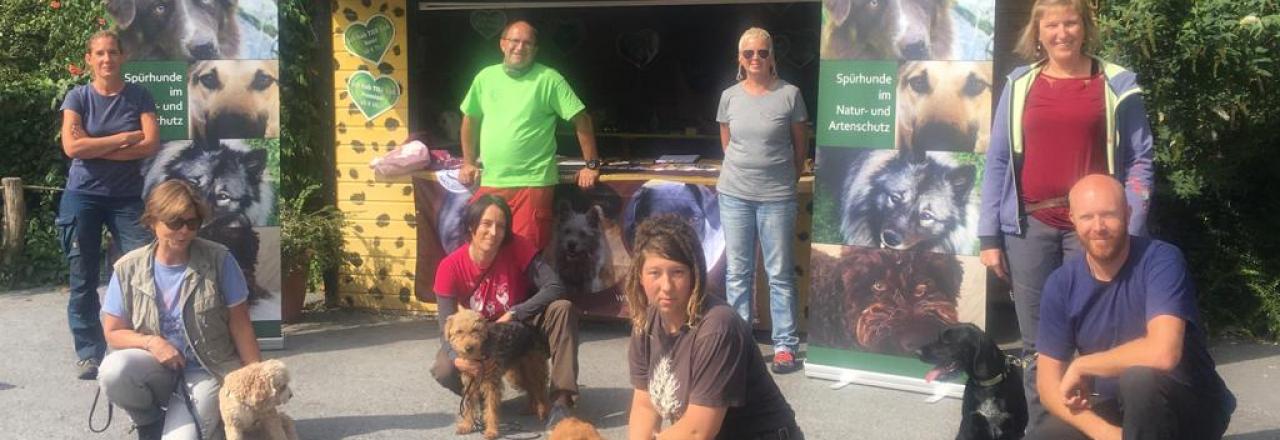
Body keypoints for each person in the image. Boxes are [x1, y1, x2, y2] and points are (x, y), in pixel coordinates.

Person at [976, 0, 1155, 427]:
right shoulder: (1020, 85)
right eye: (1051, 24)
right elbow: (998, 160)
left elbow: (1141, 159)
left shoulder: (1115, 83)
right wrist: (989, 237)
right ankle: (1045, 431)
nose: (1061, 32)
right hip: (1029, 230)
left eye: (1070, 22)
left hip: (1094, 231)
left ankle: (1103, 429)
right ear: (1038, 32)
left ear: (1085, 27)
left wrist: (1129, 223)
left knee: (1099, 338)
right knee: (1039, 346)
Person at [1030, 175, 1234, 440]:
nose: (1098, 226)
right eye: (1087, 217)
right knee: (1046, 436)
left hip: (1188, 403)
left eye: (1109, 215)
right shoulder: (1061, 284)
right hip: (1119, 407)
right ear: (1072, 219)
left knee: (1140, 379)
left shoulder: (1161, 259)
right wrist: (1102, 431)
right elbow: (1047, 384)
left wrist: (1082, 365)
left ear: (1127, 213)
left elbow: (1163, 353)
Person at [97, 179, 262, 440]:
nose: (184, 231)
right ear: (152, 221)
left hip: (207, 369)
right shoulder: (128, 268)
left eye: (192, 223)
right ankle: (148, 421)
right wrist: (152, 343)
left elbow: (240, 325)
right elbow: (113, 332)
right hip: (157, 367)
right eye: (174, 223)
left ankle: (198, 421)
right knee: (113, 370)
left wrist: (256, 380)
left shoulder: (220, 260)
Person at [625, 215, 802, 440]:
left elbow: (698, 431)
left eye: (677, 272)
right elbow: (645, 407)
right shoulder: (645, 322)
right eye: (655, 273)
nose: (666, 286)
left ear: (695, 274)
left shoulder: (718, 327)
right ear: (639, 276)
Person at [59, 30, 160, 380]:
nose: (106, 59)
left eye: (112, 52)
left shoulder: (139, 96)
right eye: (99, 53)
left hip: (127, 198)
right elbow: (72, 149)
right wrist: (121, 139)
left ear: (122, 56)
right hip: (82, 195)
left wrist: (94, 143)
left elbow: (149, 144)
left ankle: (143, 344)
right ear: (89, 59)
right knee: (83, 278)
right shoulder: (78, 97)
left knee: (142, 273)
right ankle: (89, 354)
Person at [430, 195, 581, 430]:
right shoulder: (449, 267)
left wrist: (516, 312)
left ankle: (561, 399)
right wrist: (457, 359)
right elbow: (444, 328)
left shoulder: (518, 247)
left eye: (501, 226)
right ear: (472, 226)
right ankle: (482, 398)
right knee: (444, 368)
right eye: (486, 224)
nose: (493, 232)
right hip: (478, 336)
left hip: (519, 328)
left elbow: (554, 286)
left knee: (563, 308)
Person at [457, 19, 601, 251]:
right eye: (514, 41)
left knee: (526, 256)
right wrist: (468, 162)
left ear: (535, 50)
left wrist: (591, 164)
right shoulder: (485, 78)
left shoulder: (549, 79)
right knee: (484, 249)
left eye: (527, 43)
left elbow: (582, 119)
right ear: (502, 44)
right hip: (492, 181)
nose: (520, 47)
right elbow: (470, 119)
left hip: (532, 184)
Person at [715, 27, 809, 374]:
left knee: (779, 274)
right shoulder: (729, 97)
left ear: (773, 57)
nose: (756, 59)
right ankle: (740, 345)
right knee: (738, 273)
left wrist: (787, 177)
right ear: (740, 59)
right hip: (735, 193)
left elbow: (801, 146)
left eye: (763, 52)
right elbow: (727, 144)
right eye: (749, 53)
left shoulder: (790, 94)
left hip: (776, 197)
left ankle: (784, 345)